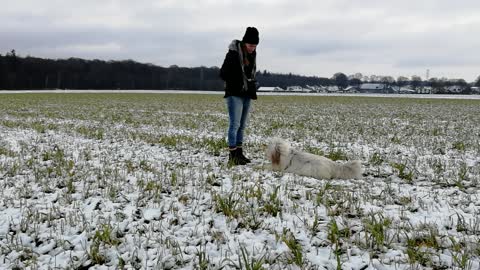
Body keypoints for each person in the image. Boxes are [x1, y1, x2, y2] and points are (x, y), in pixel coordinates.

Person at [220, 27, 259, 165]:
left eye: (254, 46)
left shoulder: (252, 55)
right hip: (234, 94)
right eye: (250, 45)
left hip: (246, 94)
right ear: (244, 43)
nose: (252, 49)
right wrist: (238, 79)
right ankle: (233, 155)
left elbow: (250, 73)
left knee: (242, 126)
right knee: (234, 124)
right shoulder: (233, 53)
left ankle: (239, 154)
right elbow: (223, 73)